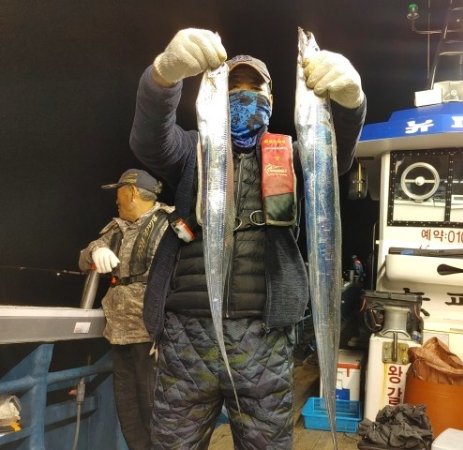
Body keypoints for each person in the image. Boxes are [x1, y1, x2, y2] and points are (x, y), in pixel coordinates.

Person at [129, 28, 367, 449]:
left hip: (265, 341)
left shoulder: (293, 155)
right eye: (233, 87)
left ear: (271, 98)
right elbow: (149, 140)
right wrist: (162, 77)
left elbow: (335, 155)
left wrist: (351, 103)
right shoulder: (192, 151)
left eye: (254, 87)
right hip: (187, 338)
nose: (244, 94)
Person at [78, 169, 174, 450]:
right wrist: (96, 250)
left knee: (155, 406)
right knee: (128, 408)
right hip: (119, 333)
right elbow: (83, 259)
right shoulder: (116, 228)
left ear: (131, 192)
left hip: (153, 334)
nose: (116, 200)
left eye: (118, 193)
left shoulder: (169, 223)